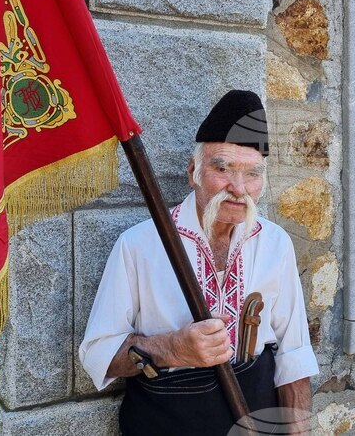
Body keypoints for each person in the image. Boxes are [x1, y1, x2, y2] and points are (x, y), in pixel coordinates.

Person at [79, 90, 318, 435]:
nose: (238, 187)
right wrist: (171, 348)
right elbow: (98, 354)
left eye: (252, 173)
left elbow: (293, 354)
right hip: (168, 420)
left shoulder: (275, 242)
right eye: (222, 168)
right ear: (193, 171)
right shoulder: (140, 245)